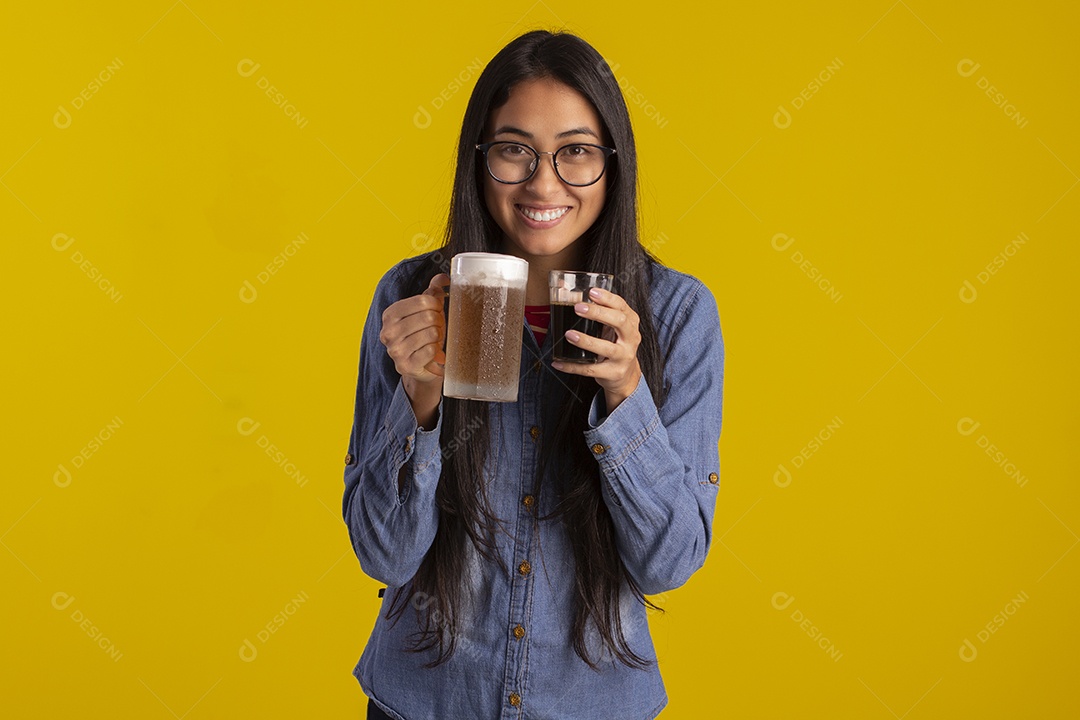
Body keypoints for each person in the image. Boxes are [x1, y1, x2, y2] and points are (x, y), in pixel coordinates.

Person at [342, 29, 725, 720]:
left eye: (576, 151)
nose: (543, 182)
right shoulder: (413, 297)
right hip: (424, 702)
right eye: (515, 150)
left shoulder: (676, 313)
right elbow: (384, 554)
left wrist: (625, 394)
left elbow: (669, 562)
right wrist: (423, 399)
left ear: (613, 164)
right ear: (479, 159)